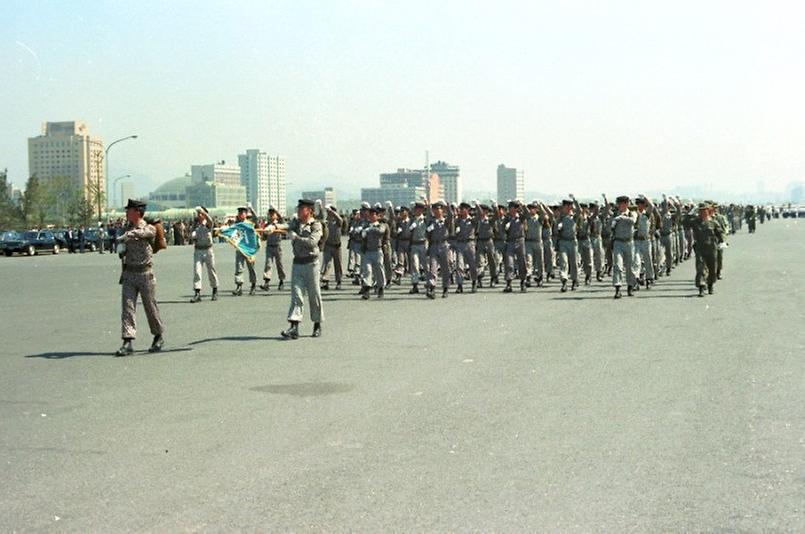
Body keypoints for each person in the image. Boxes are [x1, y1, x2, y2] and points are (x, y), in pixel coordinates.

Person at [266, 199, 323, 339]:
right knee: (296, 295)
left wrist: (296, 238)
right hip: (297, 263)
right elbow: (285, 225)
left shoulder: (316, 225)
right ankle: (294, 327)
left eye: (301, 208)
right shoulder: (296, 223)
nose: (298, 210)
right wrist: (273, 227)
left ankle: (317, 325)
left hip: (311, 264)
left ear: (309, 210)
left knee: (314, 295)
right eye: (298, 208)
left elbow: (312, 242)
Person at [115, 199, 165, 356]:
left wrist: (129, 235)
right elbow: (122, 248)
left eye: (128, 210)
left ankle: (158, 336)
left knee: (150, 306)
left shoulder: (149, 228)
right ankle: (127, 341)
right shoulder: (126, 228)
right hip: (129, 273)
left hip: (145, 274)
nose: (126, 212)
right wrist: (121, 248)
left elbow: (145, 234)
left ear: (137, 211)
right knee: (127, 307)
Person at [684, 202, 724, 296]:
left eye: (704, 210)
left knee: (712, 268)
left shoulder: (713, 222)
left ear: (708, 211)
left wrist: (722, 242)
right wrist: (690, 212)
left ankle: (710, 285)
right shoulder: (695, 221)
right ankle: (701, 287)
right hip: (700, 248)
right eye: (701, 211)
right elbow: (685, 222)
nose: (703, 212)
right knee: (701, 267)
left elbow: (720, 233)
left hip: (711, 247)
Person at [190, 205, 219, 303]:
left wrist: (205, 212)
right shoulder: (195, 224)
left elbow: (211, 221)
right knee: (197, 271)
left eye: (200, 213)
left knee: (211, 271)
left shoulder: (208, 223)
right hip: (198, 249)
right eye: (198, 213)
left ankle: (215, 289)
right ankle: (197, 293)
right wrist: (193, 235)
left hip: (208, 250)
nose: (199, 215)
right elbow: (191, 234)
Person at [611, 195, 638, 299]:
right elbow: (610, 226)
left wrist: (622, 217)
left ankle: (630, 286)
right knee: (617, 265)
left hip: (629, 242)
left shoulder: (632, 213)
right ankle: (617, 288)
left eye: (623, 204)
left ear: (626, 204)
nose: (620, 206)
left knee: (630, 265)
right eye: (619, 204)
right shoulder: (614, 214)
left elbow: (633, 221)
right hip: (618, 242)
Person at [359, 206, 387, 299]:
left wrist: (371, 229)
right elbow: (361, 235)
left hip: (377, 251)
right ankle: (367, 290)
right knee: (367, 270)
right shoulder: (365, 225)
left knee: (379, 270)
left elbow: (381, 231)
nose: (371, 216)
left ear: (378, 216)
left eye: (374, 215)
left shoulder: (381, 224)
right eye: (370, 215)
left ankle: (381, 288)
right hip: (367, 251)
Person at [232, 204, 258, 296]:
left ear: (246, 214)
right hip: (240, 249)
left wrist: (251, 208)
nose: (240, 214)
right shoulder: (236, 224)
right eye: (239, 212)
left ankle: (253, 285)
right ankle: (239, 286)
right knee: (239, 268)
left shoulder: (250, 223)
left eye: (242, 212)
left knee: (251, 268)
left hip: (249, 249)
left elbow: (256, 218)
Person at [259, 206, 286, 291]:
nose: (271, 216)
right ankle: (266, 283)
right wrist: (263, 235)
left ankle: (281, 281)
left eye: (272, 214)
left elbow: (281, 219)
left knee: (280, 265)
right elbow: (264, 237)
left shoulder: (279, 223)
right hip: (269, 247)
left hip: (277, 246)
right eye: (270, 214)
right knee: (268, 264)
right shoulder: (267, 224)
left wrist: (276, 210)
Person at [320, 204, 344, 290]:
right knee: (327, 264)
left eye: (329, 212)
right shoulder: (325, 222)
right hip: (328, 246)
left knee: (338, 265)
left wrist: (333, 212)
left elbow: (340, 221)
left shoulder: (337, 222)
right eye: (327, 212)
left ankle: (339, 281)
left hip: (337, 246)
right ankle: (325, 281)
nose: (328, 213)